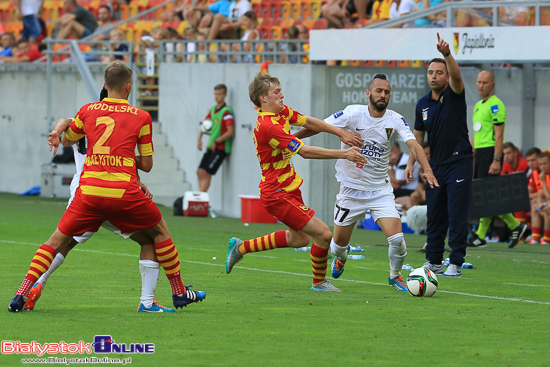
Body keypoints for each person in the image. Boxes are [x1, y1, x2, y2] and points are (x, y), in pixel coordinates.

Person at [8, 62, 206, 312]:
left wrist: (59, 132)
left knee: (57, 242)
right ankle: (177, 292)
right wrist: (123, 157)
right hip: (123, 193)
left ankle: (20, 293)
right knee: (158, 233)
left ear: (104, 85)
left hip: (88, 194)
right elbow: (147, 164)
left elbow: (69, 138)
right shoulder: (142, 117)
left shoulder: (87, 111)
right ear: (129, 87)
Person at [27, 94, 174, 313]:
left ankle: (38, 282)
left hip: (84, 192)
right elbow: (121, 159)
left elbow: (65, 121)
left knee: (64, 243)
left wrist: (57, 133)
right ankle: (150, 301)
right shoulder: (121, 123)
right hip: (108, 193)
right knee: (151, 238)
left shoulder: (86, 119)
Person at [225, 72, 366, 292]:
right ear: (263, 98)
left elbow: (308, 121)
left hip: (288, 187)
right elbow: (306, 152)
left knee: (299, 239)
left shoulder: (280, 112)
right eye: (277, 92)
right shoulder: (268, 127)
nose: (282, 95)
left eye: (280, 90)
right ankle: (319, 283)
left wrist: (339, 131)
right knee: (324, 234)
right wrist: (345, 153)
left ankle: (241, 248)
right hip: (277, 193)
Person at [296, 74, 437, 291]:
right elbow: (320, 126)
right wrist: (294, 137)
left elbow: (414, 144)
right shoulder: (352, 113)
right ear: (368, 93)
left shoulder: (395, 120)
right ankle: (342, 255)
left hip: (380, 190)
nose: (383, 95)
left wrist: (426, 169)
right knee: (337, 246)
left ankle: (395, 275)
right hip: (351, 191)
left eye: (387, 92)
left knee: (398, 239)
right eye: (379, 90)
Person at [414, 33, 473, 277]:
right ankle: (434, 261)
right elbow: (417, 138)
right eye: (430, 73)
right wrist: (414, 163)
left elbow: (458, 76)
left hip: (459, 161)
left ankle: (456, 263)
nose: (434, 76)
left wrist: (447, 54)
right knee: (435, 214)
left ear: (447, 76)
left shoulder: (455, 94)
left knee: (456, 213)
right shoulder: (422, 104)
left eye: (439, 72)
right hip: (435, 166)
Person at [468, 70, 527, 248]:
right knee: (487, 195)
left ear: (493, 84)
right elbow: (477, 133)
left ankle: (482, 235)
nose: (481, 86)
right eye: (479, 82)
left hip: (490, 152)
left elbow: (499, 135)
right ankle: (513, 226)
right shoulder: (478, 105)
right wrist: (469, 154)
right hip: (480, 152)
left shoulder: (496, 105)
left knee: (487, 195)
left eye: (485, 82)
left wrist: (496, 159)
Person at [196, 84, 235, 194]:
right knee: (199, 171)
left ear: (225, 95)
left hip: (220, 148)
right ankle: (201, 196)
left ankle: (201, 198)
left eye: (219, 94)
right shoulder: (213, 109)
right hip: (211, 146)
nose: (216, 97)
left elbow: (230, 132)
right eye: (215, 94)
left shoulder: (226, 112)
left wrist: (217, 141)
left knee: (207, 172)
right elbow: (205, 125)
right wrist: (199, 138)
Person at [500, 142, 529, 226]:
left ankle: (519, 235)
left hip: (528, 195)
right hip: (514, 196)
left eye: (508, 153)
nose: (506, 156)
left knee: (517, 200)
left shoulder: (525, 164)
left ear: (515, 153)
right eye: (504, 154)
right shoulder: (504, 166)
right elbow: (503, 185)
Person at [529, 151, 550, 245]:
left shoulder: (543, 177)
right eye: (540, 164)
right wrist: (540, 203)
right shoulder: (545, 175)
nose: (542, 167)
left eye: (545, 163)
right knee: (535, 207)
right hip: (546, 203)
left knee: (546, 208)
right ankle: (535, 238)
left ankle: (546, 239)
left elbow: (549, 196)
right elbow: (541, 194)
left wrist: (543, 181)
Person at [526, 147, 545, 244]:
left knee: (536, 204)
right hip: (541, 201)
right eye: (528, 161)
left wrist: (537, 197)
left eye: (533, 160)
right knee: (534, 204)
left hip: (545, 201)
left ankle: (545, 238)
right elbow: (528, 193)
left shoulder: (546, 172)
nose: (530, 164)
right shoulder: (534, 173)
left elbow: (545, 193)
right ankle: (535, 238)